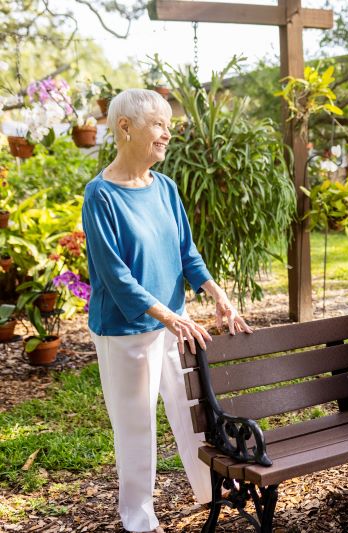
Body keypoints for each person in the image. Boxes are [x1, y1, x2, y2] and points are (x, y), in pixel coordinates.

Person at [82, 89, 253, 533]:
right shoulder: (100, 195)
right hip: (126, 330)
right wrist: (169, 316)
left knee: (192, 414)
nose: (167, 134)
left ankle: (210, 492)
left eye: (167, 125)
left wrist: (216, 293)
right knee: (136, 424)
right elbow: (115, 276)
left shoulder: (166, 187)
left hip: (174, 322)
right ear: (125, 128)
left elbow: (186, 251)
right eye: (158, 124)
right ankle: (138, 518)